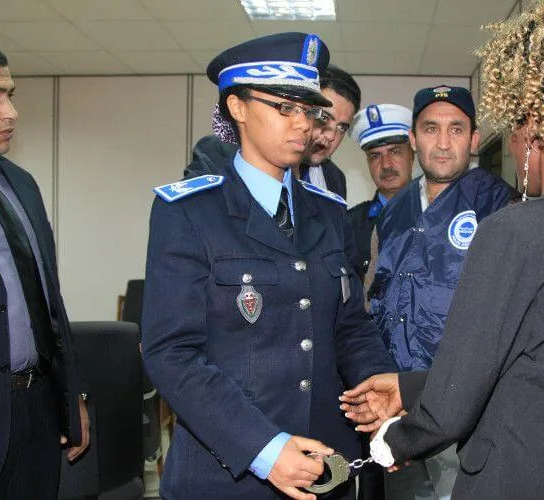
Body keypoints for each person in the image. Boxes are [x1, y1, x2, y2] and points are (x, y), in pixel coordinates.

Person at [340, 1, 544, 498]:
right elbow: (525, 367)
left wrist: (394, 442)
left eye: (513, 133)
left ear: (533, 132)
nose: (512, 149)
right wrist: (407, 388)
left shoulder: (514, 231)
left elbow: (456, 403)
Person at [141, 33, 396, 500]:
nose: (303, 125)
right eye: (284, 108)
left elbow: (350, 327)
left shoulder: (329, 211)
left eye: (310, 111)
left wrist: (380, 386)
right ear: (237, 107)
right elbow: (171, 352)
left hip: (326, 466)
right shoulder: (189, 212)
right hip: (229, 471)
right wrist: (263, 447)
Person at [365, 86, 517, 499]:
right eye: (431, 129)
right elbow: (373, 302)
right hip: (397, 405)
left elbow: (505, 324)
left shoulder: (499, 206)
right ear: (413, 139)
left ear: (473, 139)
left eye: (456, 129)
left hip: (464, 410)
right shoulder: (393, 212)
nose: (444, 143)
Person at [0, 46, 90, 499]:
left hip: (36, 405)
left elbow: (50, 303)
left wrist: (73, 398)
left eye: (10, 95)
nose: (10, 111)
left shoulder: (21, 185)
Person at [347, 104, 415, 279]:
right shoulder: (350, 224)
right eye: (375, 156)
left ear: (412, 154)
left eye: (394, 152)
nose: (386, 165)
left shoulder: (438, 213)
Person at [299, 65, 360, 199]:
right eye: (324, 118)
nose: (331, 136)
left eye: (342, 127)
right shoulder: (271, 168)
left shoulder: (336, 178)